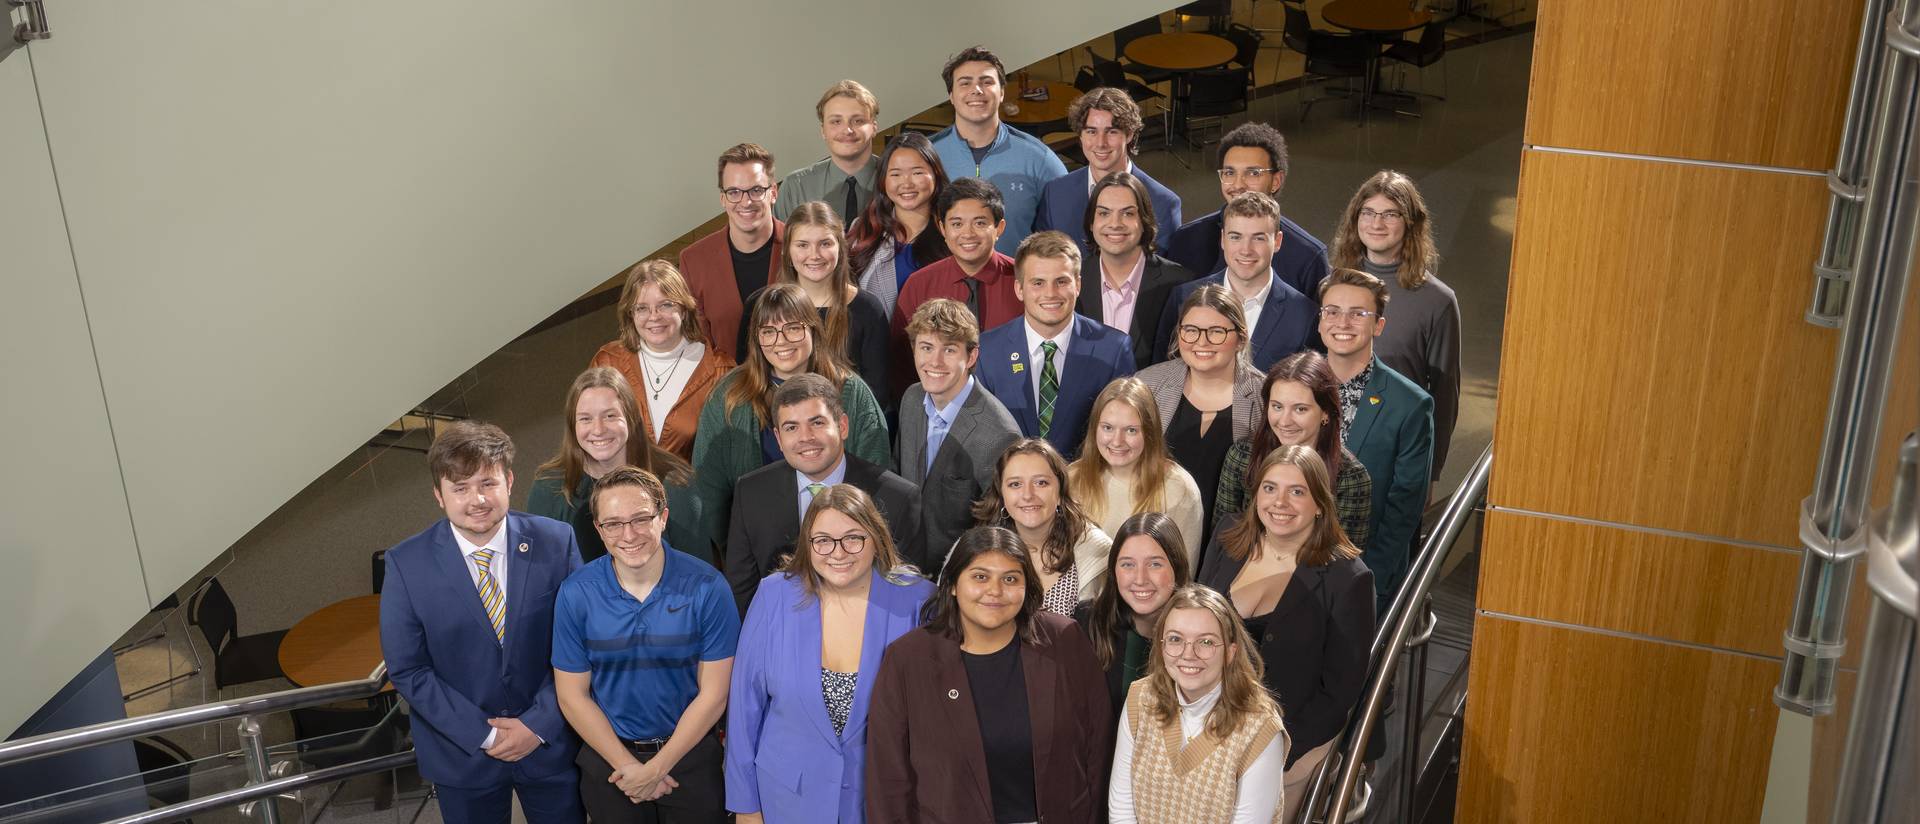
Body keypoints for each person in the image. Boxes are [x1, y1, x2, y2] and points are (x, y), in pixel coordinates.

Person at [378, 421, 584, 823]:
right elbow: (409, 669)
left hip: (549, 744)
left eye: (488, 483)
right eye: (460, 488)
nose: (477, 499)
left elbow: (580, 645)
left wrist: (538, 724)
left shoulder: (557, 543)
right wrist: (485, 734)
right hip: (462, 753)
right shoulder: (407, 564)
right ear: (439, 495)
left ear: (509, 480)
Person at [865, 526, 1112, 824]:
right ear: (953, 584)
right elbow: (888, 778)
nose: (995, 591)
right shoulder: (908, 659)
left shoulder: (1064, 640)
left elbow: (1098, 747)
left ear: (1027, 586)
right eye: (980, 577)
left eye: (1010, 579)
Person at [725, 485, 934, 824]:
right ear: (807, 545)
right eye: (822, 540)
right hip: (786, 798)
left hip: (882, 801)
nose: (838, 552)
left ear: (876, 538)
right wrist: (745, 805)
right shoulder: (774, 595)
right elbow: (744, 708)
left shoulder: (919, 600)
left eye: (853, 538)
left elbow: (935, 717)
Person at [553, 466, 739, 822]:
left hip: (690, 756)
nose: (629, 534)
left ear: (663, 517)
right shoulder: (575, 593)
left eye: (641, 519)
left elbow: (714, 694)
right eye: (613, 523)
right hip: (610, 762)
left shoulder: (708, 588)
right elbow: (571, 695)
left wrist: (657, 768)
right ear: (598, 529)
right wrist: (629, 767)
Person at [1197, 446, 1372, 821]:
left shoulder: (1348, 578)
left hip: (1289, 737)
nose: (1280, 502)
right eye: (1270, 488)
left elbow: (1340, 691)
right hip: (1207, 724)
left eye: (1297, 491)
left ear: (1320, 504)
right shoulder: (1228, 537)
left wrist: (1275, 748)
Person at [691, 284, 891, 560]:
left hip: (845, 550)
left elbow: (875, 474)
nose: (781, 341)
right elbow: (707, 486)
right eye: (768, 332)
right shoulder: (729, 395)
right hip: (759, 552)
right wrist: (737, 547)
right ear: (756, 339)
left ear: (813, 330)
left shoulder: (851, 391)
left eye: (793, 328)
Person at [726, 374, 923, 613]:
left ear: (842, 426)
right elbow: (742, 592)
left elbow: (905, 596)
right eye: (791, 427)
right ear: (778, 438)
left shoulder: (897, 498)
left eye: (817, 423)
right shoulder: (751, 493)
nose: (805, 438)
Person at [1109, 585, 1288, 824]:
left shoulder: (1261, 729)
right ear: (1162, 647)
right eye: (1175, 639)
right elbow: (1121, 810)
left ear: (1230, 652)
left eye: (1205, 642)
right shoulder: (1141, 698)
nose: (1188, 654)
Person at [1330, 170, 1460, 477]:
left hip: (1394, 454)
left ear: (1411, 223)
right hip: (1326, 450)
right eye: (1369, 213)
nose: (1377, 224)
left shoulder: (1437, 301)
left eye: (1391, 214)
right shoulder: (1330, 288)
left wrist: (1431, 472)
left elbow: (1444, 398)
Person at [1318, 268, 1433, 608]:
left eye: (1358, 314)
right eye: (1333, 311)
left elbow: (1405, 506)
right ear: (1320, 320)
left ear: (1378, 325)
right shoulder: (1290, 385)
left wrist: (1371, 577)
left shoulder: (1410, 404)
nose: (1343, 323)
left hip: (1359, 573)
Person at [526, 367, 710, 564]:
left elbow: (699, 574)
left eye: (610, 416)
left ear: (630, 418)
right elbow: (539, 571)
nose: (598, 429)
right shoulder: (548, 487)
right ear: (573, 426)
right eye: (585, 419)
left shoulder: (676, 483)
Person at [975, 230, 1135, 455]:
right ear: (1019, 289)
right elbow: (981, 439)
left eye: (1061, 281)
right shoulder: (988, 351)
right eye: (1038, 283)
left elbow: (1122, 435)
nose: (1050, 293)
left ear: (1077, 285)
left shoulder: (1113, 349)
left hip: (1085, 485)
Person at [1135, 285, 1266, 538]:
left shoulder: (1264, 397)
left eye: (1216, 331)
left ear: (1240, 338)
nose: (1202, 342)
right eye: (1191, 331)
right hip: (1155, 535)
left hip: (1231, 539)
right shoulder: (1148, 385)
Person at [897, 298, 1023, 561]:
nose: (935, 361)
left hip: (957, 575)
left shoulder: (1000, 435)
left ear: (971, 356)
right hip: (904, 564)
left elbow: (998, 532)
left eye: (949, 350)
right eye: (926, 347)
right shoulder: (911, 399)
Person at [1217, 351, 1374, 550]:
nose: (1284, 421)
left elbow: (1344, 564)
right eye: (1277, 406)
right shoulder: (1242, 456)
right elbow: (1222, 540)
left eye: (1300, 409)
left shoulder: (1351, 477)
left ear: (1325, 412)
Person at [1164, 121, 1331, 300]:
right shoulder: (1185, 240)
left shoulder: (1308, 257)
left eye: (1253, 173)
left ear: (1276, 181)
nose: (1238, 184)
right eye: (1229, 173)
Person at [927, 45, 1069, 254]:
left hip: (1015, 283)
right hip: (942, 283)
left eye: (987, 82)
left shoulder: (1040, 159)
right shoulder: (926, 156)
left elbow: (1064, 237)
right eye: (965, 83)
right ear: (951, 95)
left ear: (1002, 92)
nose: (977, 90)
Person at [742, 202, 890, 400]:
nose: (814, 255)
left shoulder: (868, 309)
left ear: (841, 247)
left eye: (825, 243)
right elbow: (748, 380)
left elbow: (877, 396)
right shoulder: (758, 305)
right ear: (786, 250)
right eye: (803, 245)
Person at [591, 259, 735, 461]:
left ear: (684, 309)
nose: (654, 317)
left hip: (691, 490)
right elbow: (589, 436)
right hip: (620, 487)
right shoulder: (608, 362)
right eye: (642, 308)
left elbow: (731, 454)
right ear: (630, 314)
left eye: (665, 305)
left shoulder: (721, 370)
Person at [1160, 191, 1317, 372]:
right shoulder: (1183, 297)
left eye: (1258, 238)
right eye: (1235, 237)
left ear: (1278, 241)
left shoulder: (1304, 314)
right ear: (1223, 240)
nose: (1246, 250)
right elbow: (1164, 372)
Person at [1032, 88, 1182, 254]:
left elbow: (1161, 275)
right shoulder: (1055, 193)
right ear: (1080, 136)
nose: (1101, 143)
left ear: (1130, 134)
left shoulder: (1163, 204)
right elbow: (1043, 258)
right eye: (1091, 131)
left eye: (1111, 131)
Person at [1066, 377, 1204, 557]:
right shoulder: (1072, 478)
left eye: (1131, 430)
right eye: (1107, 428)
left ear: (1149, 432)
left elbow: (1181, 577)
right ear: (1095, 429)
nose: (1117, 441)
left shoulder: (1179, 490)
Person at [972, 438, 1112, 615]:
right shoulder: (976, 549)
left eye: (1041, 483)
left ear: (1061, 492)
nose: (1028, 495)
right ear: (1002, 495)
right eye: (1015, 484)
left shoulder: (1096, 551)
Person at [1073, 512, 1193, 716]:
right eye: (1128, 564)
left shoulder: (1201, 631)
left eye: (1155, 564)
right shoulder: (1087, 622)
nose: (1140, 579)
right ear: (1114, 571)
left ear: (1177, 567)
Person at [1075, 171, 1198, 369]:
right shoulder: (1072, 280)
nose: (1114, 224)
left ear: (1144, 221)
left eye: (1128, 213)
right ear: (1091, 223)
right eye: (1104, 213)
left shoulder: (1181, 284)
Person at [682, 143, 786, 361]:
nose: (746, 202)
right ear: (723, 199)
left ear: (773, 192)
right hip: (728, 387)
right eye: (734, 192)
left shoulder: (802, 247)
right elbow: (698, 345)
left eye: (756, 190)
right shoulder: (694, 261)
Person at [891, 176, 1022, 340]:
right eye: (957, 224)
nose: (967, 234)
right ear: (943, 229)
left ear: (999, 228)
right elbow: (900, 355)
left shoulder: (1024, 279)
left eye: (980, 223)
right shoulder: (918, 285)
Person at [847, 132, 951, 313]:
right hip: (878, 340)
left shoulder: (953, 232)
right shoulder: (863, 229)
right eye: (896, 174)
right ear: (883, 181)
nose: (907, 183)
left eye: (917, 172)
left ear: (936, 174)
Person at [774, 80, 881, 224]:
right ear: (823, 130)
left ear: (874, 127)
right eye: (836, 122)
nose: (847, 130)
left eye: (858, 121)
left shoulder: (899, 181)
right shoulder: (795, 187)